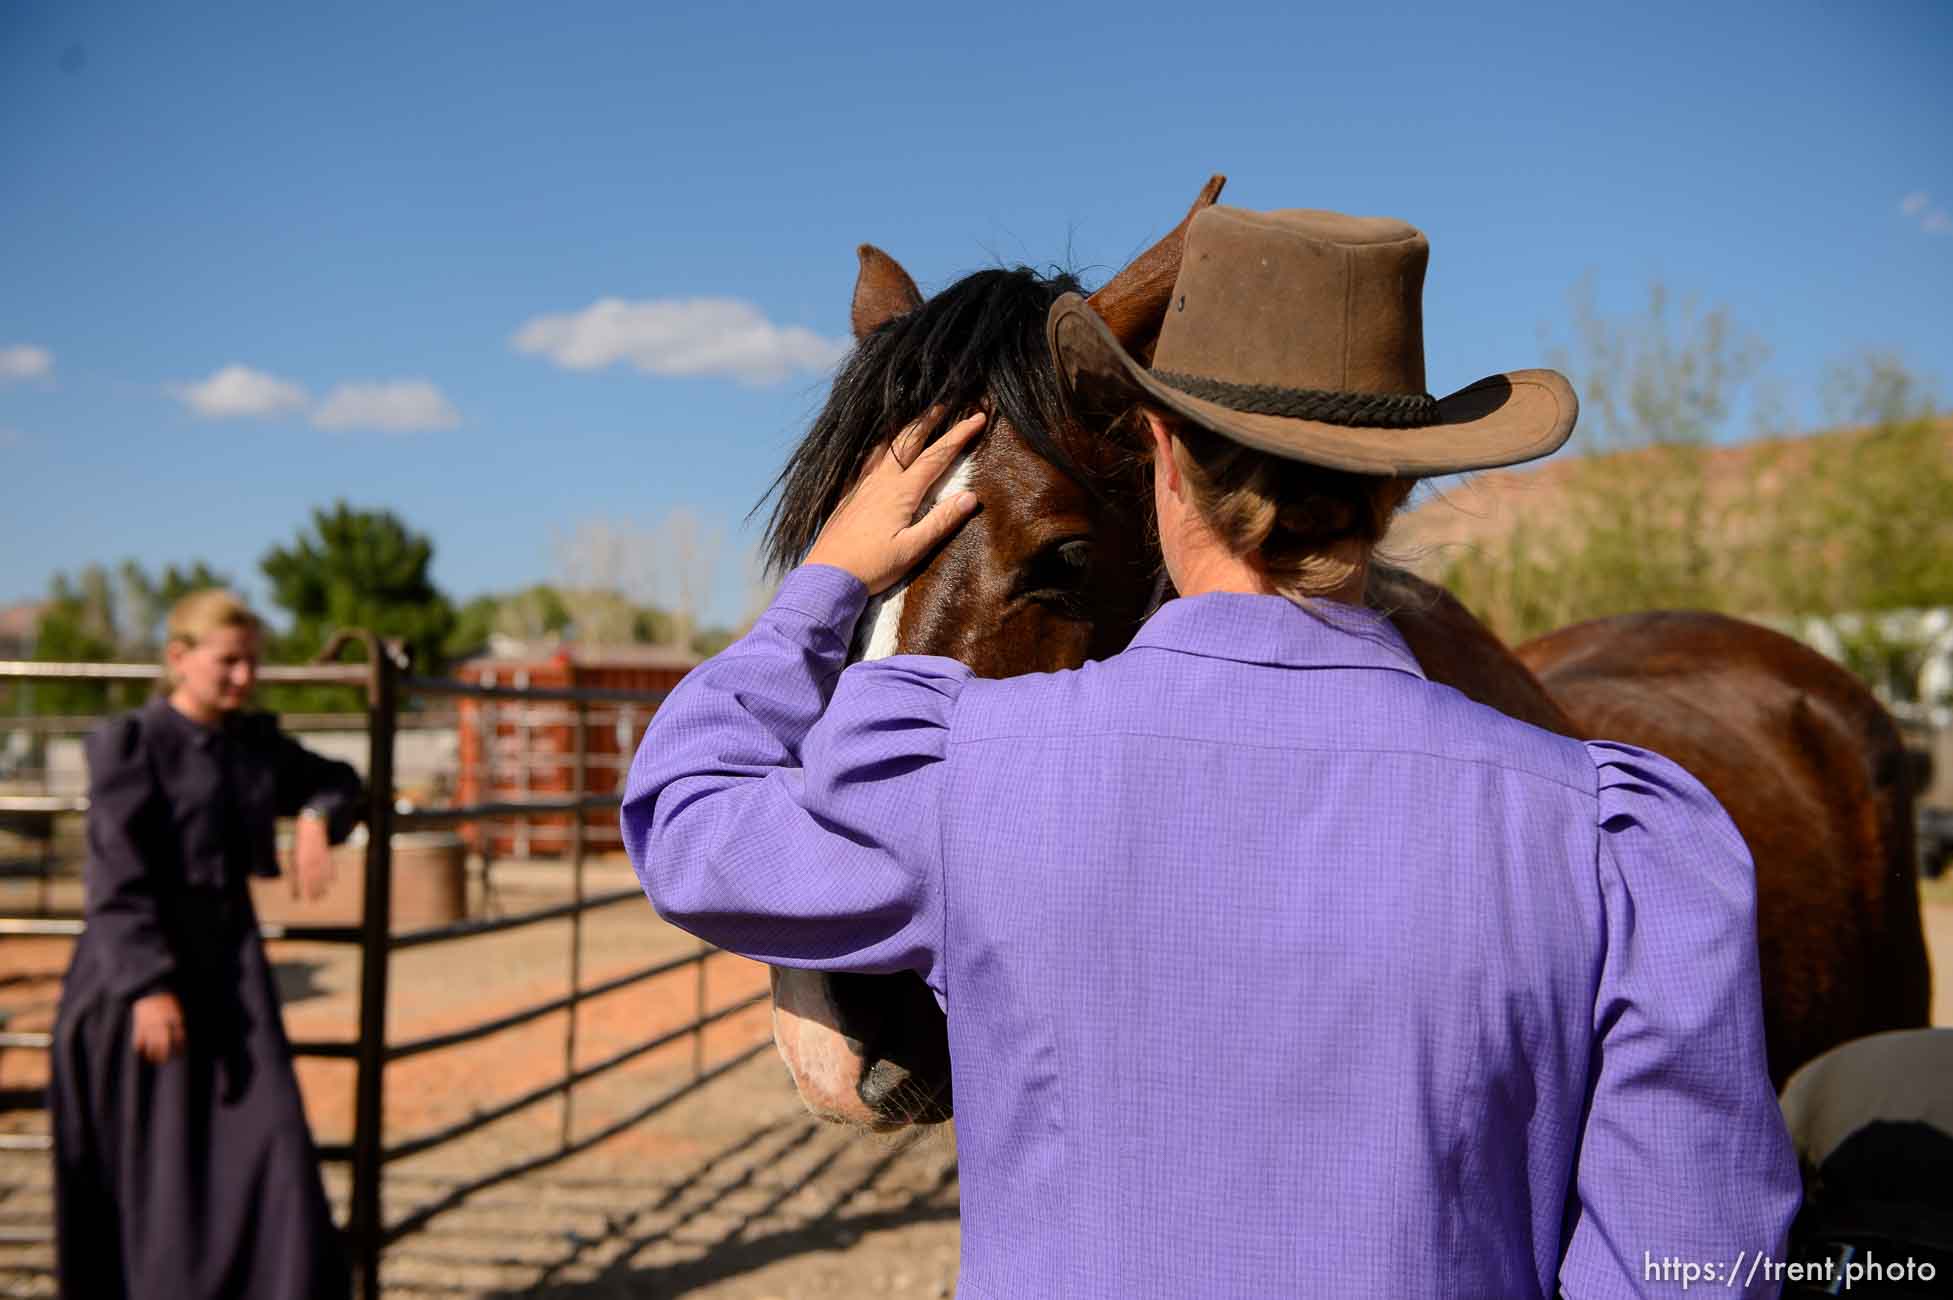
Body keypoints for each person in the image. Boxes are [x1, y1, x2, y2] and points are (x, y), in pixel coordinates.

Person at [622, 207, 1800, 1297]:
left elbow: (687, 815)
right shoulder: (1614, 836)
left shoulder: (965, 776)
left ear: (1161, 459)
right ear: (1393, 488)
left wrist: (830, 580)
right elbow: (1694, 1257)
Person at [49, 589, 359, 1299]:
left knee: (270, 1146)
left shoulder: (249, 745)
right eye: (229, 662)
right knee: (159, 1173)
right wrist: (146, 987)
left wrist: (315, 817)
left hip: (228, 976)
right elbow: (114, 877)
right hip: (135, 979)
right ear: (178, 657)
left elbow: (337, 781)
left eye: (252, 663)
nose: (245, 679)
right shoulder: (134, 746)